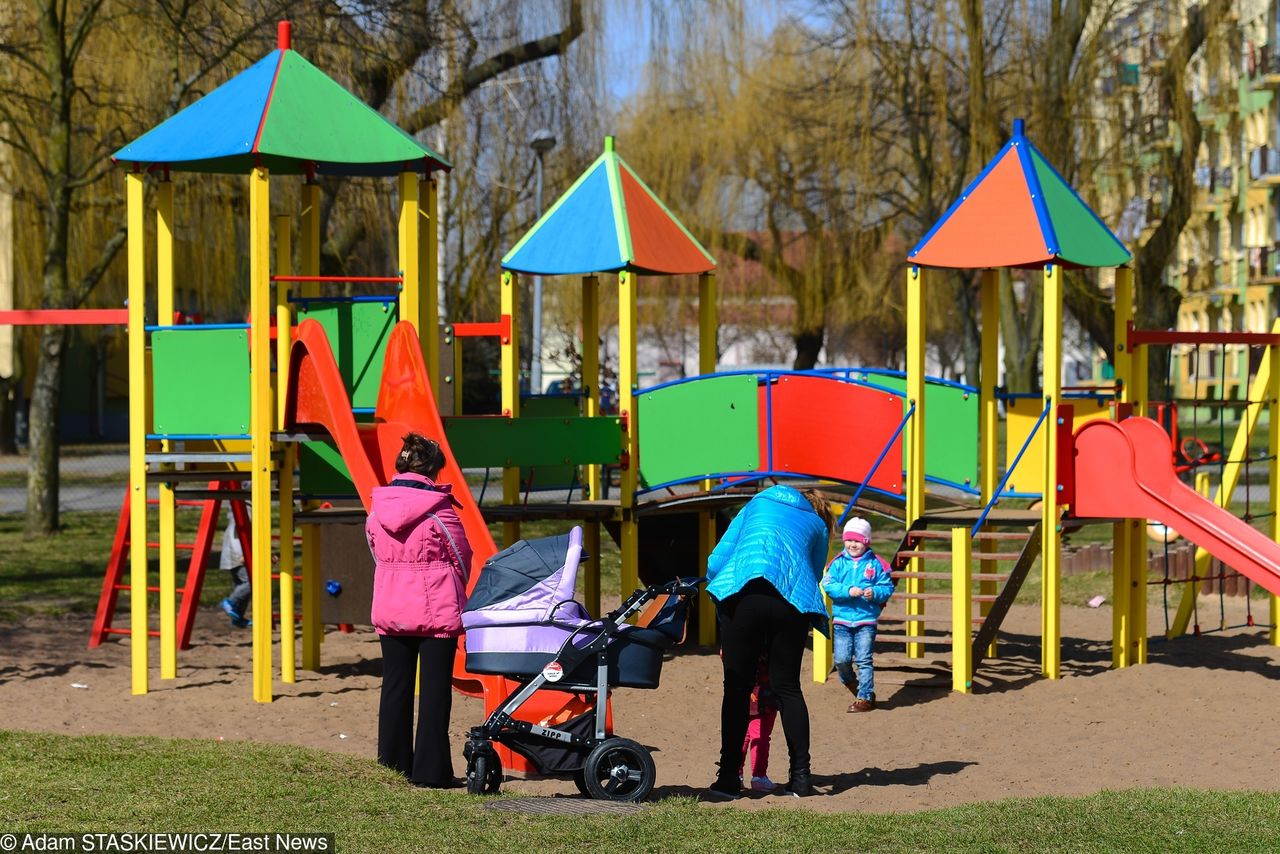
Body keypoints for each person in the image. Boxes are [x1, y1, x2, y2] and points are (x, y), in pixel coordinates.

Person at [704, 484, 834, 800]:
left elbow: (717, 558)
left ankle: (728, 780)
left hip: (744, 593)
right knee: (788, 688)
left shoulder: (754, 506)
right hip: (790, 602)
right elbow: (812, 574)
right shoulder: (817, 524)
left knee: (736, 688)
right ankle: (801, 779)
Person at [367, 433, 473, 788]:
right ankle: (432, 771)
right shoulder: (440, 508)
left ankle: (392, 766)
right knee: (434, 692)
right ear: (433, 467)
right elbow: (461, 555)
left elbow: (375, 548)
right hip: (435, 608)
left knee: (394, 686)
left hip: (391, 604)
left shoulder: (377, 506)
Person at [822, 516, 894, 712]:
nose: (852, 544)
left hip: (866, 620)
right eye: (849, 540)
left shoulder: (876, 564)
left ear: (866, 542)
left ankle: (865, 697)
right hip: (842, 620)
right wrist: (847, 591)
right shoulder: (837, 563)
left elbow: (886, 586)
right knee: (841, 661)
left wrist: (875, 593)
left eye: (857, 541)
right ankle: (852, 683)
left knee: (863, 659)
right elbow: (828, 584)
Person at [740, 653, 778, 792]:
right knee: (760, 737)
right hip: (764, 695)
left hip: (742, 691)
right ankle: (759, 776)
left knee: (742, 736)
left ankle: (736, 774)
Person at [218, 513, 251, 629]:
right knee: (251, 582)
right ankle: (230, 602)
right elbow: (239, 533)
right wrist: (243, 554)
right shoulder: (246, 510)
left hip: (234, 555)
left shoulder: (243, 509)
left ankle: (238, 617)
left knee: (241, 586)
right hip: (237, 555)